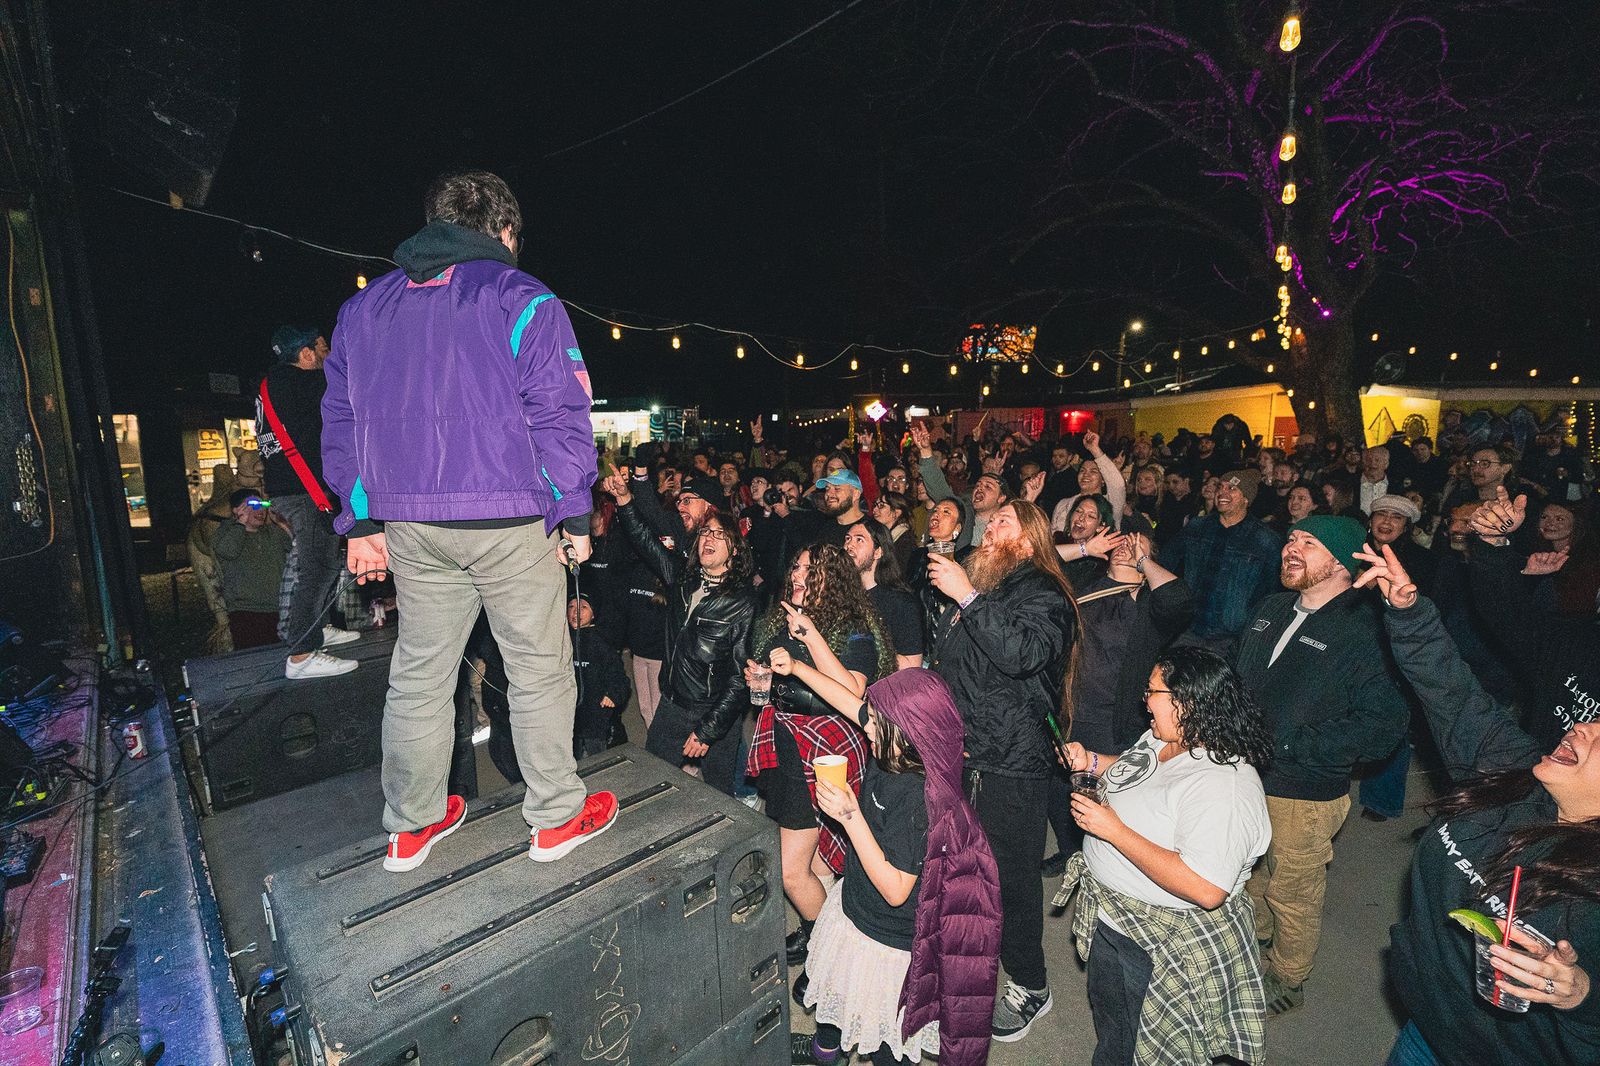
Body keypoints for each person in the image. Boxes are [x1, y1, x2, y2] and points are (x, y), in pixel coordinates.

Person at [322, 170, 614, 872]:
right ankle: (555, 817)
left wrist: (359, 521)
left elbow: (341, 421)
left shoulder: (362, 310)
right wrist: (574, 511)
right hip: (510, 517)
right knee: (537, 667)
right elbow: (560, 412)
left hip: (410, 524)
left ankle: (411, 825)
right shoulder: (524, 297)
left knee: (420, 672)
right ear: (505, 231)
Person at [1352, 542, 1599, 1066]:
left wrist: (1580, 996)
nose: (1581, 727)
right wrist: (1408, 610)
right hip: (1424, 1027)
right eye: (1590, 721)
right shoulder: (1512, 768)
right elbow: (1452, 692)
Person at [1052, 647, 1272, 1066]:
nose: (1144, 701)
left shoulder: (1224, 786)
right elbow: (1135, 772)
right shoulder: (1164, 737)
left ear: (1186, 702)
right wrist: (1092, 762)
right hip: (1114, 918)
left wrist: (1114, 831)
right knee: (1115, 1026)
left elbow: (1206, 888)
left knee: (1150, 1044)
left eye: (1152, 692)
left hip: (1162, 942)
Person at [783, 668, 1003, 1066]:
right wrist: (797, 668)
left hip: (886, 941)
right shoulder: (892, 745)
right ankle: (826, 1052)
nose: (865, 726)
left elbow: (896, 889)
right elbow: (846, 701)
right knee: (835, 990)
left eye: (874, 721)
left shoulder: (919, 798)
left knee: (886, 1040)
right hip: (854, 908)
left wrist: (851, 816)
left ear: (906, 733)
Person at [1234, 515, 1409, 1013]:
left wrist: (1292, 747)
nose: (1292, 548)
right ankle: (1254, 942)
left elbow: (1382, 727)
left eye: (1309, 543)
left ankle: (1288, 976)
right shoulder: (1270, 607)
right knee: (1248, 874)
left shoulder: (1367, 630)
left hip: (1304, 791)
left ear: (1340, 562)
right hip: (1243, 775)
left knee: (1293, 890)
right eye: (1291, 538)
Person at [923, 500, 1077, 1042]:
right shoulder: (989, 588)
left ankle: (1031, 984)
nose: (990, 528)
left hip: (1013, 760)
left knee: (1011, 879)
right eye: (990, 522)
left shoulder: (1044, 592)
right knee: (965, 871)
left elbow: (1021, 654)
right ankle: (970, 963)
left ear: (1029, 540)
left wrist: (967, 595)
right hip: (967, 752)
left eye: (1003, 522)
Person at [748, 546, 895, 976]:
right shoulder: (782, 621)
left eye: (811, 570)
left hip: (826, 748)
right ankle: (826, 932)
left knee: (791, 871)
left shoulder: (854, 627)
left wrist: (809, 636)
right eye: (796, 566)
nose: (798, 574)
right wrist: (760, 679)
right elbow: (777, 677)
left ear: (834, 581)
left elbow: (853, 691)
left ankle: (827, 953)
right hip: (785, 742)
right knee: (815, 861)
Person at [1043, 527, 1194, 877]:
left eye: (1136, 543)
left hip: (1114, 716)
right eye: (1121, 541)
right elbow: (1037, 563)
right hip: (1068, 708)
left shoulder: (1149, 603)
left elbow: (1179, 598)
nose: (1126, 546)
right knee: (1060, 786)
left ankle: (1105, 863)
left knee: (1110, 791)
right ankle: (1069, 852)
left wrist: (1144, 562)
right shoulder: (1084, 582)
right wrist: (1085, 548)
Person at [608, 472, 759, 795]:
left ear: (735, 550)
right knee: (651, 778)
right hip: (673, 703)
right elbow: (645, 541)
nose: (708, 539)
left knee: (718, 793)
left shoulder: (743, 603)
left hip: (715, 712)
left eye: (719, 535)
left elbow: (739, 679)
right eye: (705, 532)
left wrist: (707, 731)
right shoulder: (683, 579)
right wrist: (624, 500)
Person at [258, 325, 360, 678]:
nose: (327, 354)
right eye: (323, 348)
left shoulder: (273, 384)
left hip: (290, 489)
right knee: (318, 568)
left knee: (320, 563)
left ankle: (315, 629)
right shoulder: (305, 382)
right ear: (306, 354)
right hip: (305, 492)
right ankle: (301, 654)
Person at [1465, 487, 1600, 752]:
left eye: (1560, 519)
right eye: (1546, 518)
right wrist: (1493, 543)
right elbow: (1509, 615)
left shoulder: (1586, 563)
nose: (1551, 523)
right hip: (1543, 768)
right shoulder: (1575, 645)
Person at [1160, 469, 1284, 655]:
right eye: (1220, 487)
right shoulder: (1197, 527)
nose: (1222, 493)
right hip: (1188, 629)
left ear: (1246, 498)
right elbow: (1166, 560)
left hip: (1231, 638)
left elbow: (1272, 592)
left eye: (1232, 488)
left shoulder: (1265, 540)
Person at [213, 489, 294, 650]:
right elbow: (228, 551)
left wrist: (281, 523)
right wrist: (240, 524)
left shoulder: (272, 533)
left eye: (263, 505)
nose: (261, 510)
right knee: (252, 658)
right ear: (237, 510)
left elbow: (295, 546)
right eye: (254, 504)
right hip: (246, 612)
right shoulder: (225, 533)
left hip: (279, 610)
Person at [844, 518, 925, 671]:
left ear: (878, 552)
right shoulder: (839, 593)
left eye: (859, 540)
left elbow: (912, 665)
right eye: (848, 539)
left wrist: (863, 648)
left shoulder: (900, 602)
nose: (849, 545)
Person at [567, 592, 630, 760]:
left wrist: (613, 695)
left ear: (594, 614)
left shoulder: (601, 642)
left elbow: (620, 678)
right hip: (569, 716)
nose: (575, 612)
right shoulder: (563, 640)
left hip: (595, 717)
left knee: (598, 758)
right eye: (571, 606)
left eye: (583, 607)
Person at [1050, 430, 1127, 536]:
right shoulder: (1063, 504)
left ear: (1103, 479)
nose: (1086, 474)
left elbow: (1118, 485)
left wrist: (1095, 449)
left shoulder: (1110, 503)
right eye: (1082, 470)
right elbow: (1052, 536)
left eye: (1093, 471)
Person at [871, 491, 917, 574]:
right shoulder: (880, 535)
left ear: (896, 513)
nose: (874, 510)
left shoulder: (905, 541)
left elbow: (896, 574)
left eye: (881, 506)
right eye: (875, 505)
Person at [1358, 446, 1392, 515]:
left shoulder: (1397, 486)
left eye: (1377, 460)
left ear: (1386, 464)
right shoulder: (1350, 482)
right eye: (1368, 460)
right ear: (1363, 463)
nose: (1372, 464)